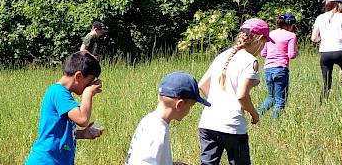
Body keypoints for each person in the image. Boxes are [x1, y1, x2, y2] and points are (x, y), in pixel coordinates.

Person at [197, 18, 271, 165]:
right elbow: (242, 96)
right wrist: (254, 113)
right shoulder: (250, 61)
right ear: (260, 39)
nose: (263, 47)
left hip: (208, 123)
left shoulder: (222, 56)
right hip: (232, 126)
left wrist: (219, 102)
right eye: (264, 43)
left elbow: (202, 85)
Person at [24, 51, 103, 165]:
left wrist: (82, 134)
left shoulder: (62, 95)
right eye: (89, 82)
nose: (89, 86)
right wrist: (88, 93)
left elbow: (57, 133)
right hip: (46, 161)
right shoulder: (58, 92)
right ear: (78, 76)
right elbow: (82, 119)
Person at [125, 71, 211, 165]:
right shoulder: (157, 131)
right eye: (191, 106)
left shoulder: (149, 120)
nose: (189, 110)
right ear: (180, 104)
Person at [311, 0, 342, 101]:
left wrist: (323, 38)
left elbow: (314, 38)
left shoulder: (320, 18)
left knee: (327, 83)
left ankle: (322, 103)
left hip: (325, 53)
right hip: (340, 51)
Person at [257, 12, 298, 118]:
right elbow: (291, 55)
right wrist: (296, 51)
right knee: (280, 102)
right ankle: (273, 125)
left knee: (271, 97)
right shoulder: (291, 35)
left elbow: (263, 54)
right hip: (281, 69)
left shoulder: (270, 34)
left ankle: (256, 116)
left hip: (267, 69)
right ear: (291, 24)